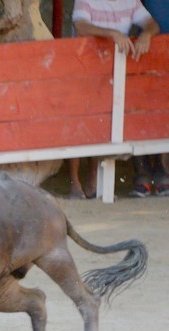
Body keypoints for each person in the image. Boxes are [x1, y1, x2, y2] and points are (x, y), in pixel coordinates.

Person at [68, 0, 160, 199]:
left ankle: (92, 184)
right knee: (78, 125)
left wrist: (146, 34)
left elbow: (152, 24)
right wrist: (112, 33)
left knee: (101, 124)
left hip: (109, 72)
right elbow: (81, 26)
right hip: (82, 67)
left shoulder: (130, 1)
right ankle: (74, 183)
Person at [129, 0, 169, 197]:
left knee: (164, 111)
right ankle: (143, 173)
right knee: (138, 110)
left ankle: (163, 172)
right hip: (141, 50)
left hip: (165, 51)